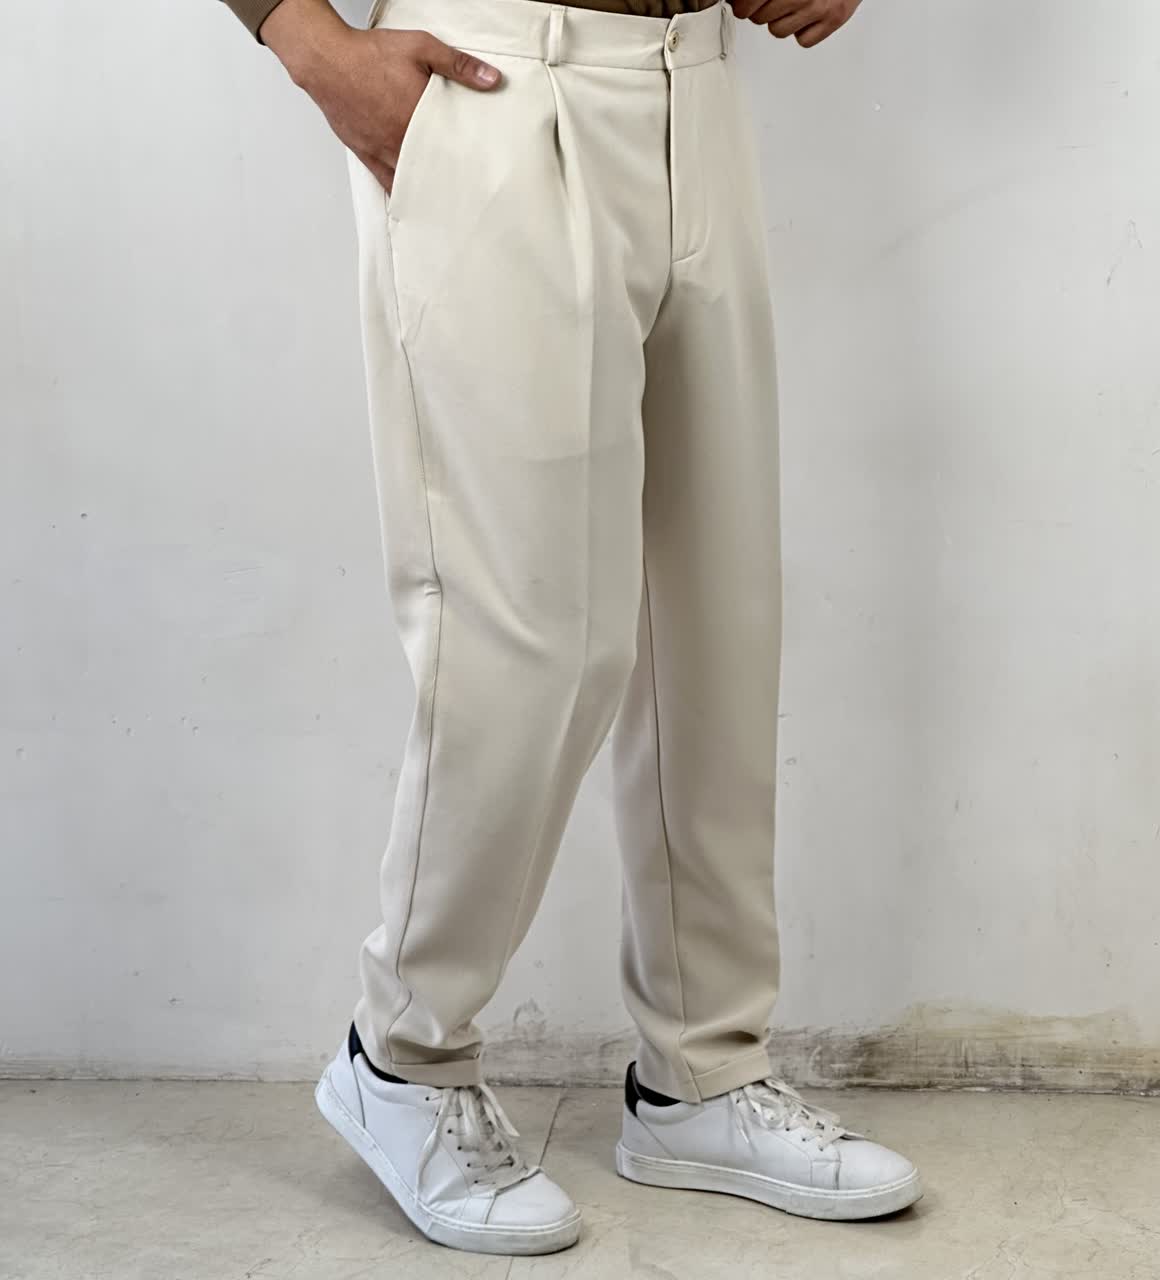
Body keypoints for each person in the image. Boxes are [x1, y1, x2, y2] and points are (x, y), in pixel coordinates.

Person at [226, 0, 922, 1254]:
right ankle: (403, 1057)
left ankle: (700, 1070)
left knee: (714, 616)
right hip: (491, 83)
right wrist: (304, 38)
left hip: (695, 84)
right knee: (527, 637)